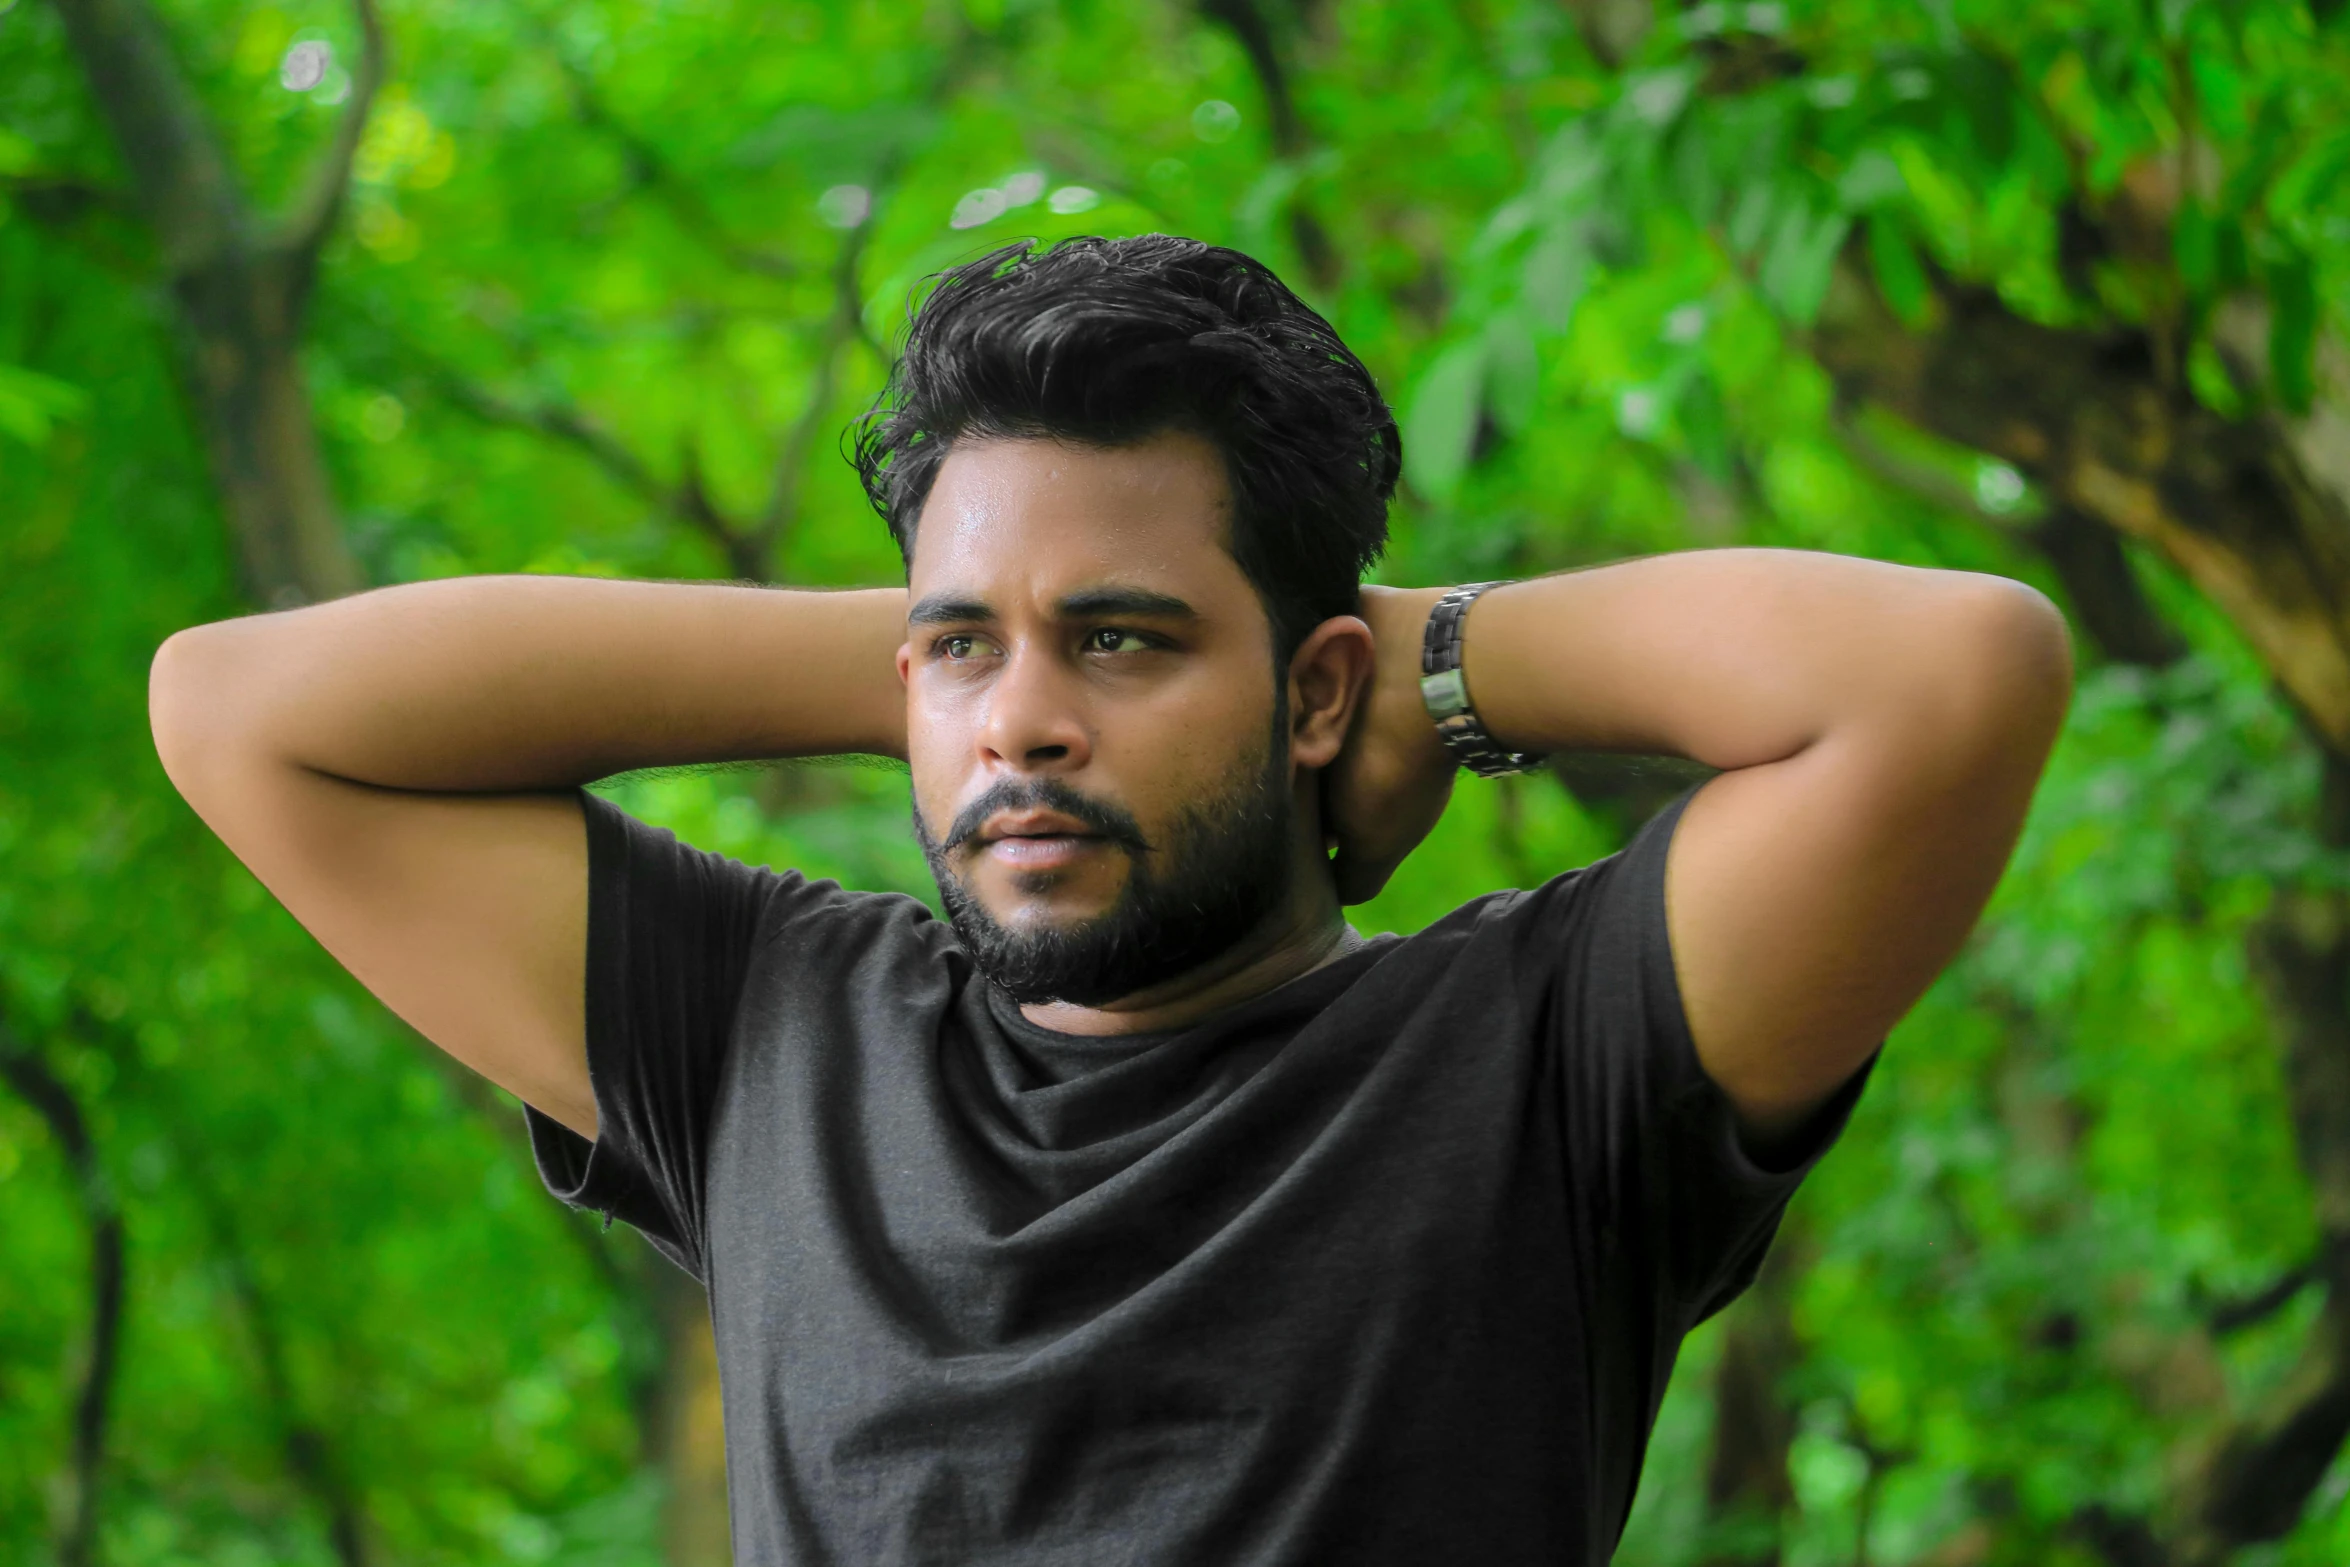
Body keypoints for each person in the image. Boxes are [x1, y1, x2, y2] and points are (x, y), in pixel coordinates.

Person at [148, 235, 2071, 1565]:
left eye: (1128, 642)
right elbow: (239, 706)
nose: (1026, 727)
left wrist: (1438, 659)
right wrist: (973, 645)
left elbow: (1947, 674)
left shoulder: (1546, 1058)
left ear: (1316, 690)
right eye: (963, 653)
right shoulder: (760, 1032)